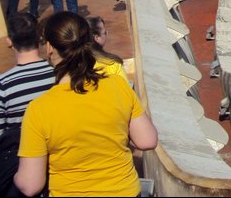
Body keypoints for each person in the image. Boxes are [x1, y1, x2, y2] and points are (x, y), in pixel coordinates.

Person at [14, 12, 158, 197]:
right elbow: (147, 140)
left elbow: (30, 185)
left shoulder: (39, 109)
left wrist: (15, 176)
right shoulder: (117, 84)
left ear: (50, 47)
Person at [0, 13, 55, 157]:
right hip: (56, 154)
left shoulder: (1, 87)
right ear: (39, 38)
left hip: (19, 161)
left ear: (9, 41)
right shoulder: (58, 75)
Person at [88, 16, 127, 81]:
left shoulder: (75, 64)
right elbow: (126, 88)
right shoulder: (113, 64)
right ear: (96, 37)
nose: (106, 35)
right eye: (105, 33)